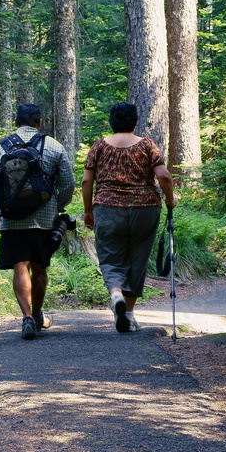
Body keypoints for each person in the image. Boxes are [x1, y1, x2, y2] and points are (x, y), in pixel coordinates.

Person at [82, 102, 176, 333]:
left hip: (107, 208)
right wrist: (170, 199)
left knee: (111, 258)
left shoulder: (99, 146)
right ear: (135, 123)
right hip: (144, 209)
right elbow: (163, 175)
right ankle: (130, 316)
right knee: (137, 260)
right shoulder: (146, 145)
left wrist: (88, 210)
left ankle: (116, 295)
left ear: (111, 123)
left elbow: (86, 181)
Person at [0, 104, 75, 340]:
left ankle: (25, 318)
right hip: (44, 219)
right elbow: (68, 183)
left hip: (12, 218)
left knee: (20, 265)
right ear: (39, 123)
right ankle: (36, 315)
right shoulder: (54, 146)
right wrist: (57, 207)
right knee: (40, 267)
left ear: (15, 123)